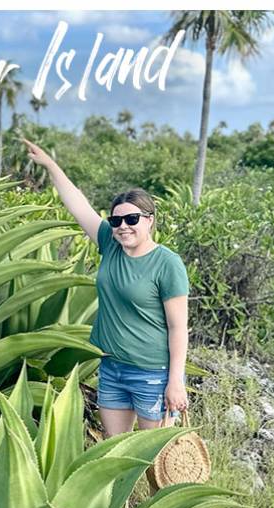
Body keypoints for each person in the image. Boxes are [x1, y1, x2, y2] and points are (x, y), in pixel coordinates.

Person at [22, 138, 190, 436]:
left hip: (152, 374)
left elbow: (178, 328)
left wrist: (175, 381)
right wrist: (50, 164)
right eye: (116, 220)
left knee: (156, 458)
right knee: (116, 452)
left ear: (149, 220)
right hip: (111, 369)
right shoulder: (110, 245)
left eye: (132, 219)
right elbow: (77, 203)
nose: (123, 226)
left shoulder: (167, 264)